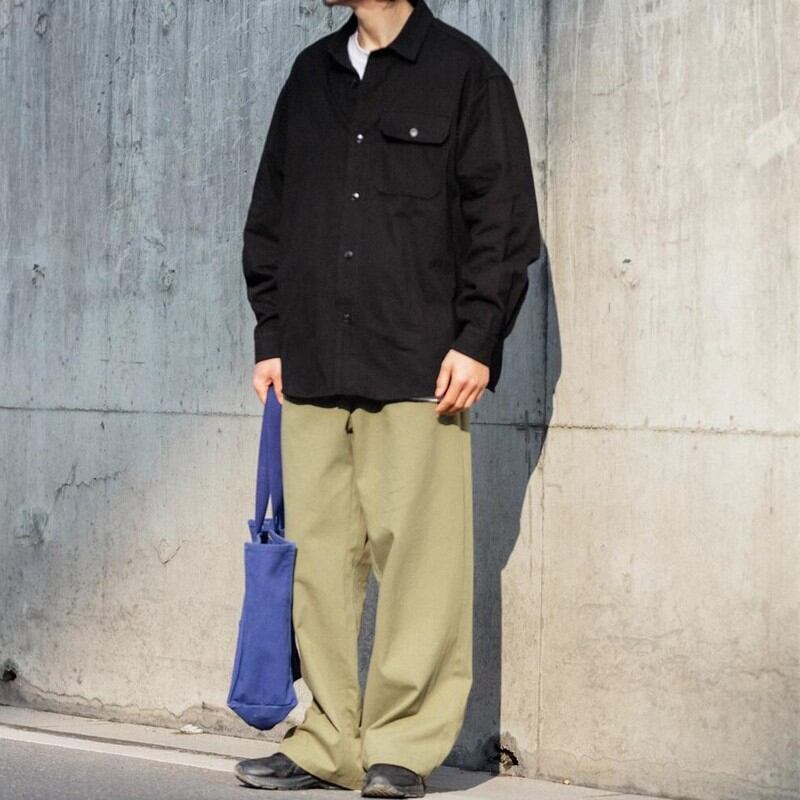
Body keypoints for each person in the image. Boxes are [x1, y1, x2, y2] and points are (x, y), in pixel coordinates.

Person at [234, 0, 541, 796]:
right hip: (311, 362)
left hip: (418, 366)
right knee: (317, 567)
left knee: (421, 568)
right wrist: (272, 334)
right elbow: (271, 215)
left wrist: (478, 339)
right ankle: (330, 739)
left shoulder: (466, 75)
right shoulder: (311, 75)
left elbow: (505, 224)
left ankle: (403, 744)